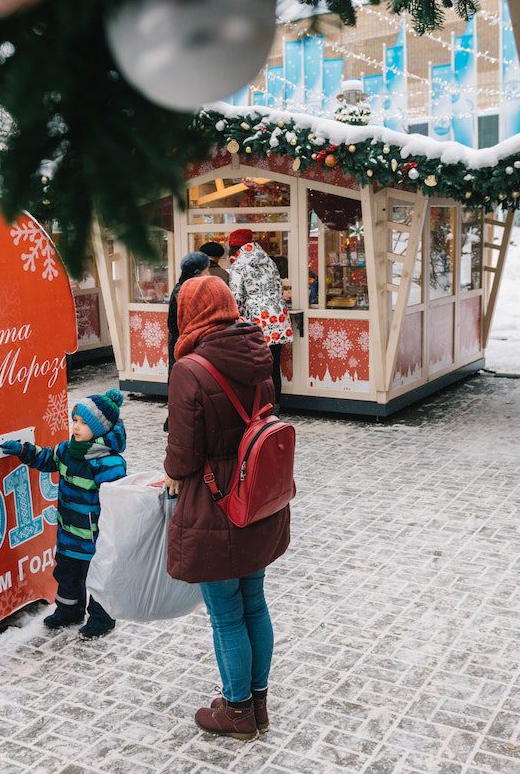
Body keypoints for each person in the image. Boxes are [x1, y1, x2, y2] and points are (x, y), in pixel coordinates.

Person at [163, 275, 291, 741]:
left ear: (188, 315)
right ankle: (256, 702)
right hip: (255, 499)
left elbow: (182, 457)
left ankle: (236, 712)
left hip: (215, 506)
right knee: (254, 601)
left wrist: (171, 474)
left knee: (226, 613)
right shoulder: (258, 352)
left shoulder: (189, 370)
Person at [1, 389, 127, 639]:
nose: (76, 427)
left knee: (98, 579)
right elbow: (47, 458)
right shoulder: (67, 450)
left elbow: (116, 499)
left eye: (83, 423)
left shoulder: (109, 462)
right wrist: (24, 451)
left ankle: (102, 619)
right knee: (67, 573)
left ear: (100, 429)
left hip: (95, 538)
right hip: (69, 533)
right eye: (75, 421)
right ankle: (69, 611)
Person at [225, 229, 293, 407]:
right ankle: (276, 406)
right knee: (273, 365)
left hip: (256, 321)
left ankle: (260, 407)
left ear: (234, 246)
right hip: (277, 319)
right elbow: (279, 288)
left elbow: (236, 298)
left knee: (256, 366)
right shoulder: (268, 261)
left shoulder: (239, 265)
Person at [167, 251, 213, 380]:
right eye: (207, 270)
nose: (209, 274)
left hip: (182, 341)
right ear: (197, 273)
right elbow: (177, 323)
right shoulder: (186, 291)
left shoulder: (183, 288)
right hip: (184, 343)